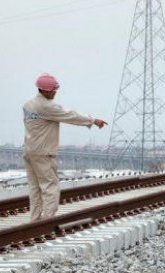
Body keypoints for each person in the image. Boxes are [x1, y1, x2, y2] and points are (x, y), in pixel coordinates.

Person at [23, 73, 107, 222]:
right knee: (50, 186)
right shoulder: (46, 107)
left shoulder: (28, 106)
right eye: (53, 90)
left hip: (29, 151)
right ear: (45, 90)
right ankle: (47, 221)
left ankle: (34, 220)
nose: (55, 92)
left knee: (35, 188)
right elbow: (70, 115)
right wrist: (93, 120)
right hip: (44, 153)